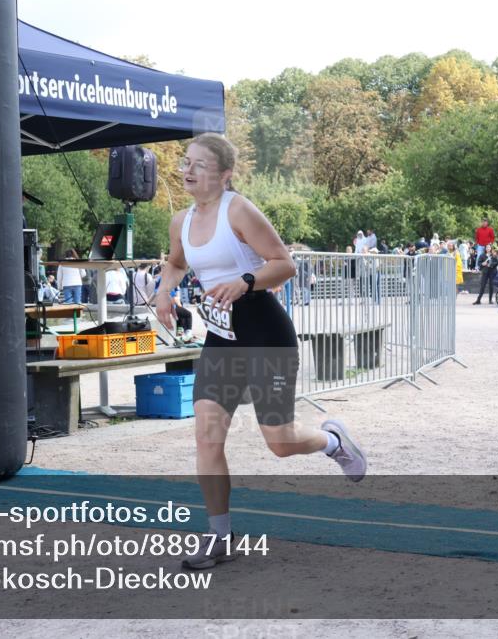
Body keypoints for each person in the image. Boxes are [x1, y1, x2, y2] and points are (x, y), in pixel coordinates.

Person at [154, 133, 367, 570]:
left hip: (265, 332)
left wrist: (245, 281)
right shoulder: (181, 221)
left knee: (281, 443)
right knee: (207, 436)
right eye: (185, 163)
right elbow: (175, 262)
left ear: (225, 175)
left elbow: (284, 263)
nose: (188, 172)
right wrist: (163, 294)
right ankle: (219, 537)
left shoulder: (239, 210)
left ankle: (332, 441)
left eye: (199, 166)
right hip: (221, 339)